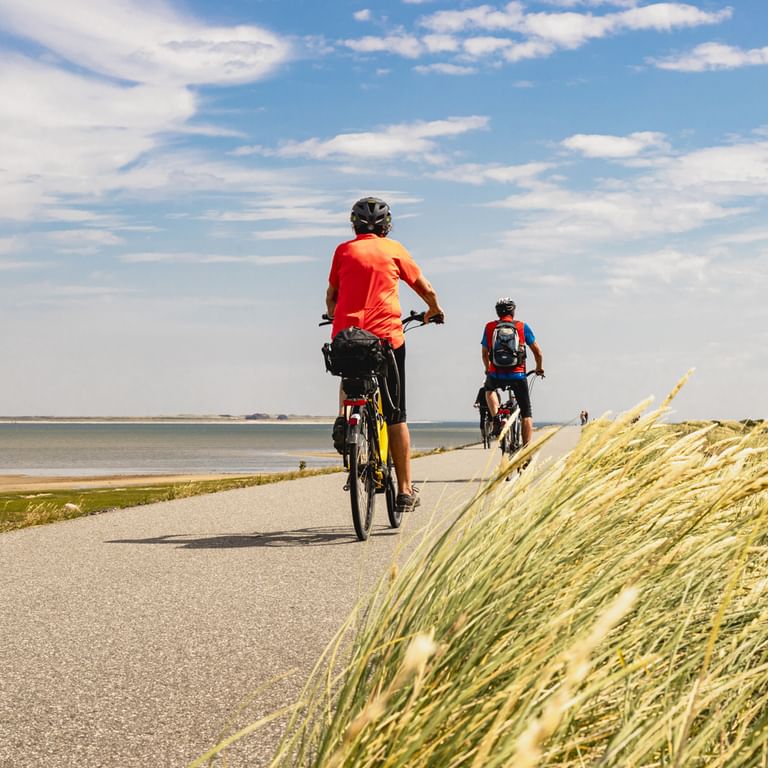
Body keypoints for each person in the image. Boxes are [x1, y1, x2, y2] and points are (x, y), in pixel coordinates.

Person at [325, 197, 444, 514]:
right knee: (396, 414)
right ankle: (405, 490)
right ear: (386, 225)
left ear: (354, 225)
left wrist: (331, 314)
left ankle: (345, 417)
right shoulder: (394, 249)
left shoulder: (344, 251)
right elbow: (425, 288)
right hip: (386, 341)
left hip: (347, 339)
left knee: (349, 375)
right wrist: (434, 310)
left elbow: (332, 296)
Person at [481, 297, 544, 448]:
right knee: (526, 413)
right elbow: (538, 352)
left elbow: (484, 354)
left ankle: (496, 417)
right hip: (518, 375)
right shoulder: (522, 327)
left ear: (497, 312)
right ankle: (526, 452)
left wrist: (488, 368)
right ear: (513, 311)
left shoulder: (490, 327)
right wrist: (539, 367)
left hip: (496, 374)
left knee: (489, 390)